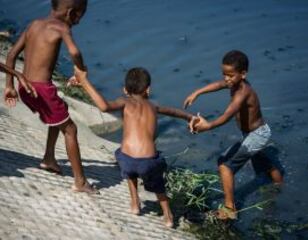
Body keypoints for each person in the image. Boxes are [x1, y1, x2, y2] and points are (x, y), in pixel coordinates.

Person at [73, 66, 198, 227]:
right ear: (148, 90)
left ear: (125, 90)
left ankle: (135, 204)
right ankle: (168, 216)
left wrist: (84, 82)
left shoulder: (124, 102)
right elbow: (174, 112)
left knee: (125, 160)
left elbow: (104, 106)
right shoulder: (154, 106)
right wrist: (190, 117)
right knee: (159, 186)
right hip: (149, 162)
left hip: (127, 160)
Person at [3, 0, 97, 193]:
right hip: (42, 90)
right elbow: (75, 51)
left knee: (60, 113)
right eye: (80, 15)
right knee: (70, 129)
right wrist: (81, 69)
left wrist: (10, 86)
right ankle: (80, 181)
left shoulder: (34, 24)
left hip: (24, 87)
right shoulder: (61, 27)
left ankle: (49, 158)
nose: (79, 20)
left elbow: (11, 54)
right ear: (71, 13)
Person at [184, 50, 283, 220]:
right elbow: (218, 85)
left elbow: (227, 115)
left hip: (258, 134)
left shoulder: (243, 92)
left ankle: (230, 209)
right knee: (261, 161)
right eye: (224, 74)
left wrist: (209, 126)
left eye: (230, 75)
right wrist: (197, 92)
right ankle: (279, 184)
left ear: (243, 74)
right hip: (253, 133)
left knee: (225, 165)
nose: (226, 79)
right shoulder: (233, 83)